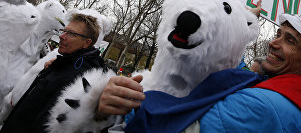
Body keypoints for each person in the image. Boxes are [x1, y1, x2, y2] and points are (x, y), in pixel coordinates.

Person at [96, 12, 301, 132]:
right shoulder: (281, 93)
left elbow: (167, 125)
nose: (273, 43)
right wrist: (239, 28)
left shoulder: (265, 105)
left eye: (290, 40)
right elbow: (236, 78)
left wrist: (120, 107)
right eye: (278, 34)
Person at [0, 13, 106, 133]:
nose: (62, 36)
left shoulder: (81, 78)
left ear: (86, 43)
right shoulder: (64, 62)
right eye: (63, 31)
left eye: (71, 33)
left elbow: (47, 123)